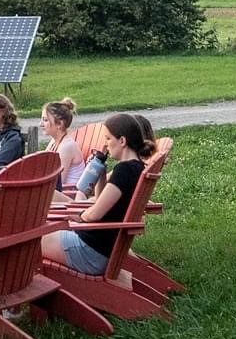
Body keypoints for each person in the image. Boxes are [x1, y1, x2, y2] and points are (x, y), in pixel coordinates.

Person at [44, 112, 155, 276]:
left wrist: (78, 216)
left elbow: (95, 213)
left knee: (27, 240)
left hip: (88, 252)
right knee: (35, 235)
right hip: (100, 249)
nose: (106, 144)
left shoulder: (124, 171)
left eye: (108, 138)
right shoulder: (136, 168)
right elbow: (102, 199)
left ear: (122, 141)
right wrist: (101, 174)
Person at [40, 98, 87, 191]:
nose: (40, 124)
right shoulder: (54, 141)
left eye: (45, 120)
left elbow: (58, 184)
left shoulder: (66, 147)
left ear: (59, 124)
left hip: (69, 194)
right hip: (59, 192)